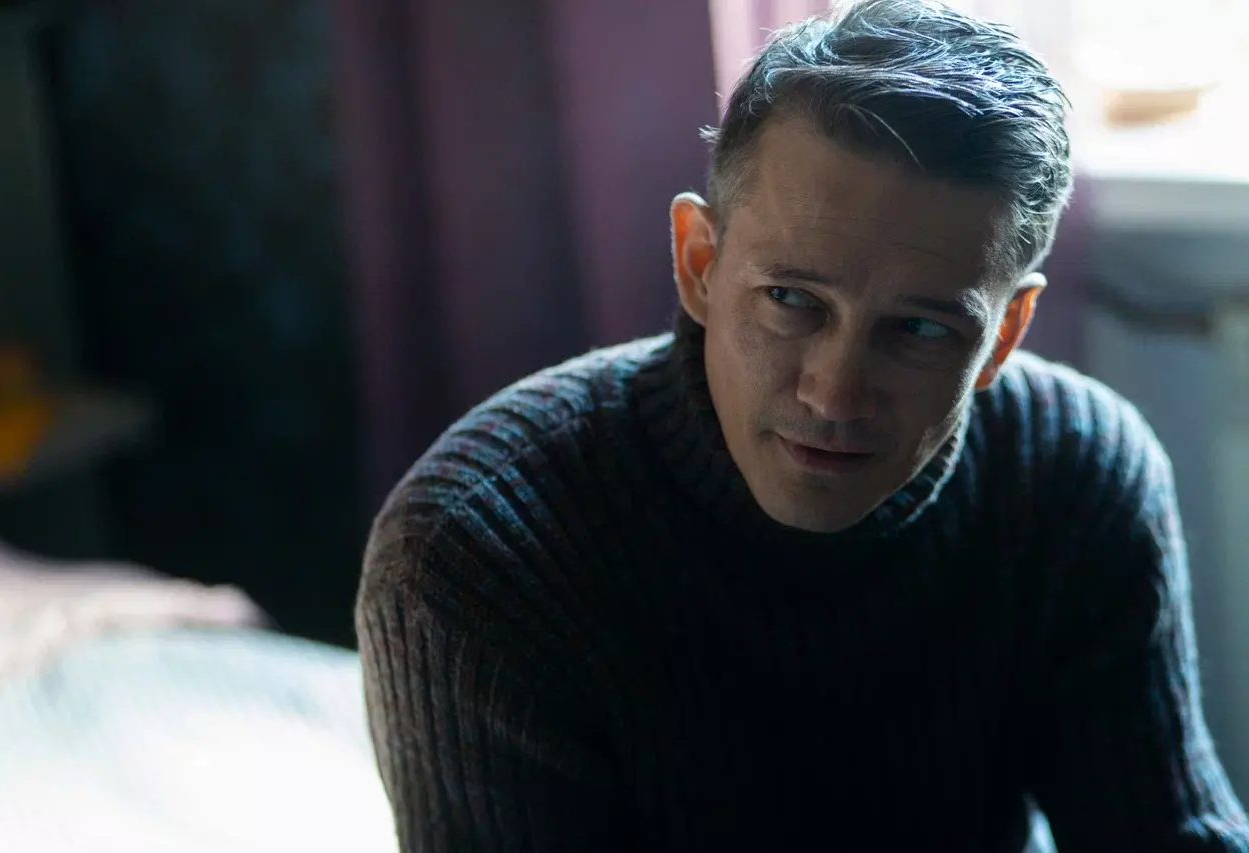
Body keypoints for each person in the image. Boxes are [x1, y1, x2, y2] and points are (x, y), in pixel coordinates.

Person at [355, 1, 1249, 850]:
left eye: (920, 330)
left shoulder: (1076, 472)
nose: (835, 394)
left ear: (1004, 336)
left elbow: (1166, 829)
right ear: (699, 263)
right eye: (791, 300)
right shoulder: (477, 555)